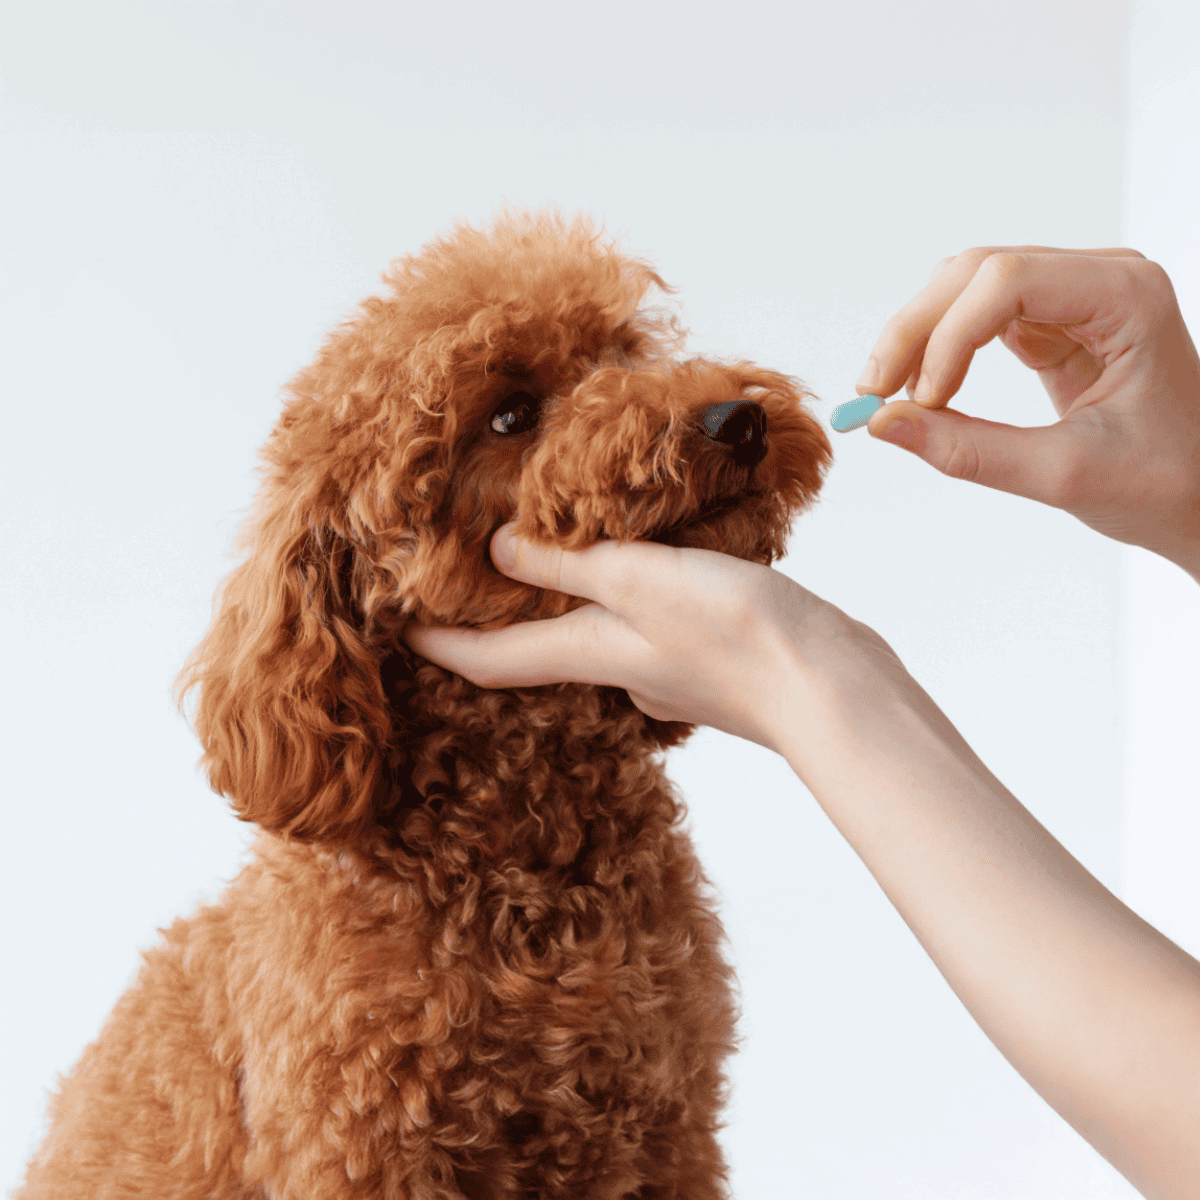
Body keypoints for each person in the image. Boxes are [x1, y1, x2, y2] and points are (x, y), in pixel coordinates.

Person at [404, 246, 1200, 1197]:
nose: (679, 400)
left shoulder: (646, 901)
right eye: (513, 418)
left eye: (626, 358)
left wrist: (813, 676)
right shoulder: (359, 978)